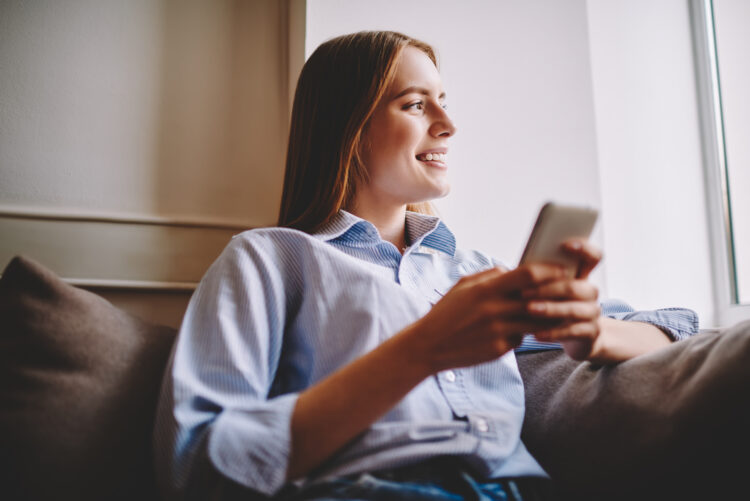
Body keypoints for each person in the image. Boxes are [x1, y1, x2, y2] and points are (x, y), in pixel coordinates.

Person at [153, 31, 698, 501]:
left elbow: (672, 330)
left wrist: (592, 332)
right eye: (415, 105)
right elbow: (199, 461)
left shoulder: (476, 271)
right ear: (349, 126)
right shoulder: (269, 259)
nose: (448, 124)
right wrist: (424, 346)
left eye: (443, 100)